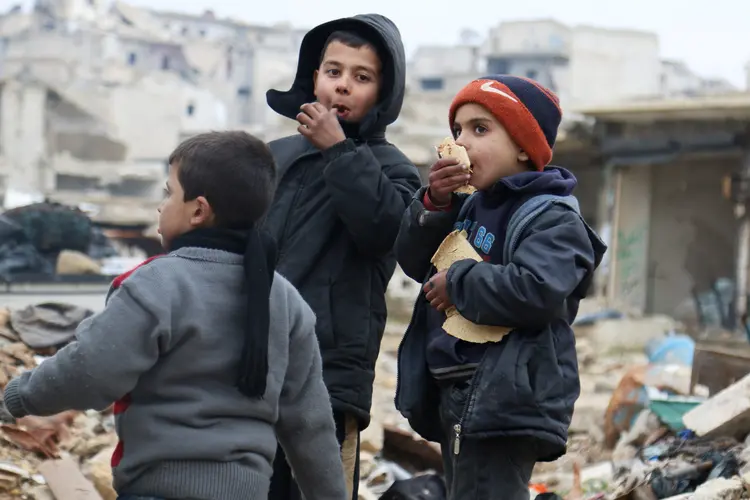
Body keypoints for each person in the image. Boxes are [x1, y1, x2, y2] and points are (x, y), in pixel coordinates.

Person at [2, 131, 348, 500]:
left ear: (198, 210)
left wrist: (16, 398)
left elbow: (91, 370)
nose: (160, 206)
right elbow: (311, 428)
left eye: (169, 193)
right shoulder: (287, 301)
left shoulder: (155, 284)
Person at [394, 76, 608, 500]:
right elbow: (417, 262)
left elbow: (538, 288)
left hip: (504, 396)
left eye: (479, 129)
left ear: (525, 146)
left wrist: (458, 283)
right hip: (462, 393)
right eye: (457, 130)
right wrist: (436, 204)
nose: (461, 143)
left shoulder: (551, 217)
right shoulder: (471, 204)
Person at [263, 14, 421, 500]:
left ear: (384, 91)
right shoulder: (273, 158)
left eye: (362, 77)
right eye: (334, 72)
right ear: (314, 78)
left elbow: (381, 232)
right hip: (253, 365)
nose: (344, 87)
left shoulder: (395, 171)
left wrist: (339, 152)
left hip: (329, 379)